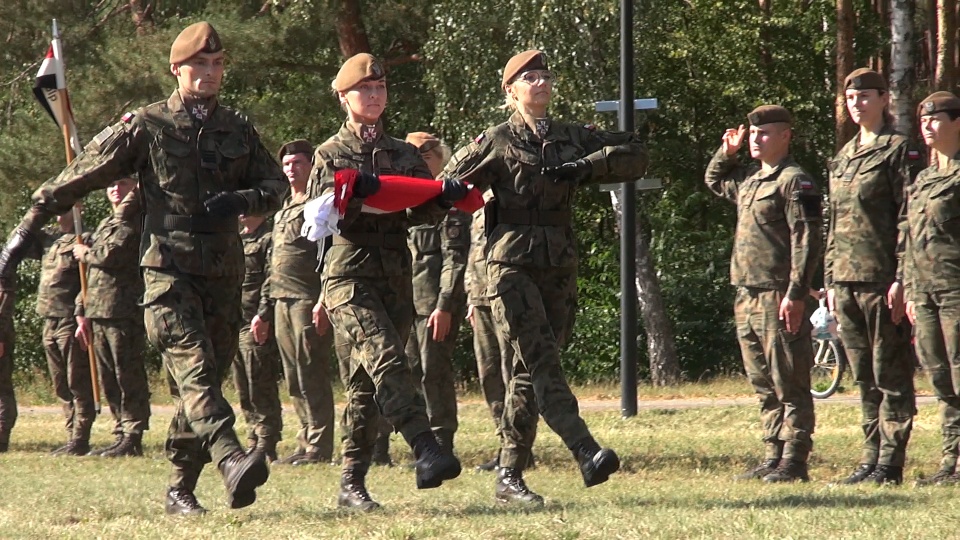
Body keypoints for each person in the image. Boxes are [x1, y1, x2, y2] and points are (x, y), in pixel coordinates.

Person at [0, 21, 287, 514]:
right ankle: (229, 455)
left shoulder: (237, 127)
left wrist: (244, 197)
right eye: (200, 64)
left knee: (204, 383)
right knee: (194, 370)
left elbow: (277, 185)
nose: (210, 73)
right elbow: (82, 172)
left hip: (223, 272)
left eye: (217, 64)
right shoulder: (148, 125)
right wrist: (25, 229)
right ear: (176, 69)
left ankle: (180, 486)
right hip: (167, 271)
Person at [441, 50, 646, 505]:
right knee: (541, 361)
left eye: (545, 76)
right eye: (529, 77)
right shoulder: (495, 139)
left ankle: (509, 475)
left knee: (528, 373)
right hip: (510, 263)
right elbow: (448, 184)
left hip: (558, 262)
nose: (540, 83)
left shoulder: (573, 136)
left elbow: (635, 157)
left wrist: (588, 166)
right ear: (510, 91)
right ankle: (585, 450)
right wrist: (472, 191)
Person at [310, 53, 466, 511]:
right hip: (346, 276)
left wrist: (443, 195)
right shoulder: (329, 154)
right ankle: (426, 446)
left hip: (394, 276)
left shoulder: (403, 153)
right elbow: (322, 216)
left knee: (366, 386)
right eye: (365, 90)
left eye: (380, 89)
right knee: (387, 356)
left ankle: (351, 483)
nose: (374, 96)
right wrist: (353, 195)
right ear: (343, 98)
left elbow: (422, 211)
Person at [705, 105, 822, 483]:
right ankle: (773, 453)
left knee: (790, 381)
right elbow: (712, 179)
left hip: (777, 295)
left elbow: (807, 239)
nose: (757, 139)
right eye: (754, 134)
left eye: (766, 133)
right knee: (763, 382)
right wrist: (728, 151)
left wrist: (796, 293)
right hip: (746, 295)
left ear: (786, 136)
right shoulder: (752, 181)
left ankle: (795, 460)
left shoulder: (794, 181)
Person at [824, 68, 916, 486]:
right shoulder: (842, 157)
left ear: (883, 99)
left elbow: (908, 218)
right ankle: (870, 457)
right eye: (850, 97)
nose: (857, 103)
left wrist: (902, 277)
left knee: (889, 373)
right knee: (862, 375)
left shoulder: (898, 150)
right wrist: (827, 280)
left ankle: (891, 463)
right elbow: (834, 224)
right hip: (844, 281)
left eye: (865, 96)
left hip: (881, 278)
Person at [251, 139, 335, 466]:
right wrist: (263, 311)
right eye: (286, 164)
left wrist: (324, 299)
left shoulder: (319, 204)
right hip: (280, 301)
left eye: (297, 163)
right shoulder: (286, 206)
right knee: (294, 376)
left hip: (306, 299)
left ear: (311, 165)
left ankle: (319, 445)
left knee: (311, 371)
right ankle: (304, 441)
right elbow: (274, 262)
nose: (290, 169)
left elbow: (330, 254)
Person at [903, 91, 960, 486]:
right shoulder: (923, 179)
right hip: (924, 293)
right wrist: (908, 288)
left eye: (935, 119)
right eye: (923, 120)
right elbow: (908, 238)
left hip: (956, 290)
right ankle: (950, 461)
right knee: (939, 377)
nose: (926, 125)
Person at [74, 177, 152, 457]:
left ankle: (133, 433)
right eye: (112, 184)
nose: (116, 188)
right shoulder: (108, 223)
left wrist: (85, 252)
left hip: (122, 309)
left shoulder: (135, 221)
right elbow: (90, 278)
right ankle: (120, 429)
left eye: (123, 184)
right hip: (98, 309)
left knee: (126, 372)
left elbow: (111, 255)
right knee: (108, 375)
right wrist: (80, 310)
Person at [404, 132, 469, 455]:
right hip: (407, 304)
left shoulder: (448, 198)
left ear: (439, 158)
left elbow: (455, 258)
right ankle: (419, 440)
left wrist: (444, 305)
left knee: (434, 372)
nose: (418, 165)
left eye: (424, 158)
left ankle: (442, 437)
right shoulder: (405, 198)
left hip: (434, 305)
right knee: (407, 372)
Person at [36, 209, 94, 456]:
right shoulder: (49, 239)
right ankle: (71, 434)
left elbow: (89, 280)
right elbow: (22, 235)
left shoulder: (84, 238)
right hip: (48, 319)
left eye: (66, 205)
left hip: (70, 319)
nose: (60, 211)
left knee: (77, 381)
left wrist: (83, 312)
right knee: (61, 383)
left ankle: (80, 438)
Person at [465, 192, 515, 472]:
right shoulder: (478, 199)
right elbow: (474, 252)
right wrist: (470, 299)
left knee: (511, 372)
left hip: (504, 294)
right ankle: (502, 440)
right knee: (488, 373)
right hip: (480, 297)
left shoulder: (511, 194)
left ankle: (516, 446)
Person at [232, 212, 283, 461]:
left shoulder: (269, 238)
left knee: (259, 381)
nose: (241, 212)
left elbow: (271, 278)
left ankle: (266, 439)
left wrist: (264, 313)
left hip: (255, 320)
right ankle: (252, 435)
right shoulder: (235, 240)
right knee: (242, 383)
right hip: (234, 319)